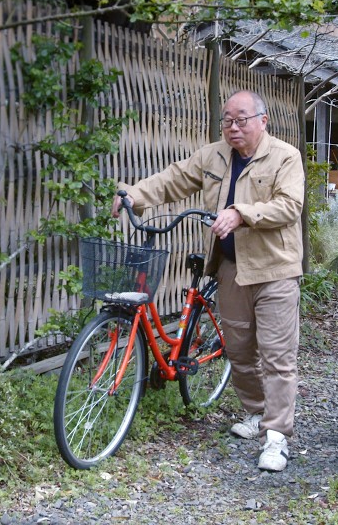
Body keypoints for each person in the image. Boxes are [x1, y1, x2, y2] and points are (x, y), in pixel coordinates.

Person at [113, 89, 305, 472]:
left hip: (275, 270)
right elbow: (174, 179)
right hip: (231, 266)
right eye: (227, 121)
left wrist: (241, 213)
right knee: (240, 349)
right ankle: (256, 413)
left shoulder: (285, 156)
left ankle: (277, 436)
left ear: (262, 121)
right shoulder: (213, 155)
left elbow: (289, 205)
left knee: (277, 356)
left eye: (241, 120)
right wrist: (134, 194)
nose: (233, 128)